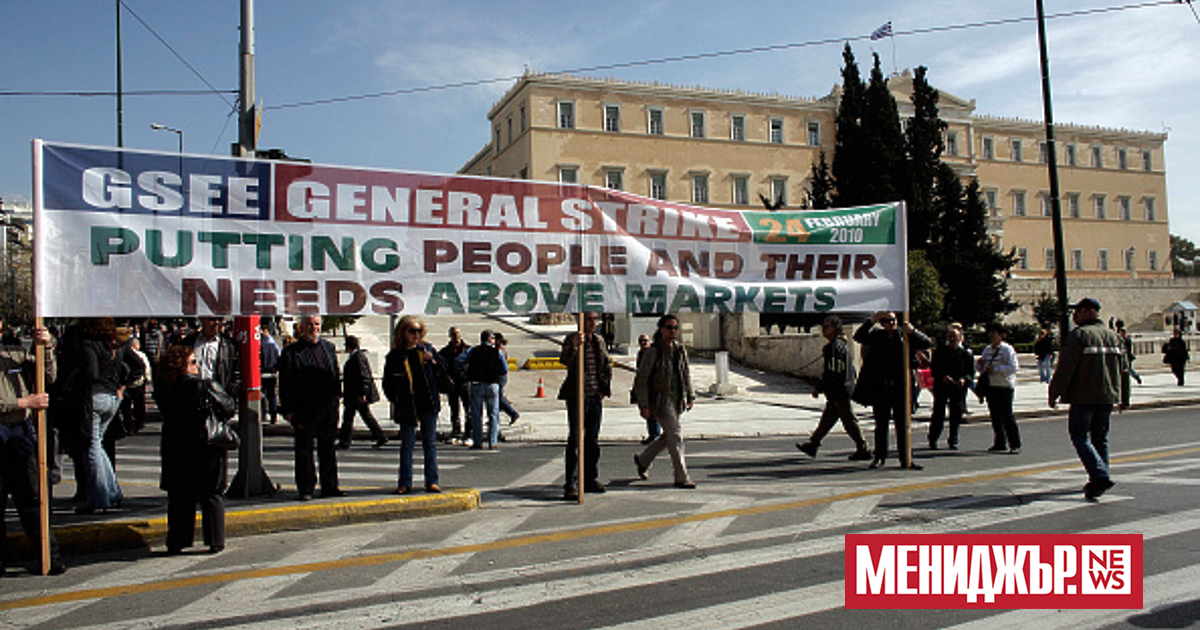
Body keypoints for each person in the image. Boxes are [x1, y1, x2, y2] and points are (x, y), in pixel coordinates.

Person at [1049, 298, 1131, 500]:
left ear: (1088, 312)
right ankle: (1098, 478)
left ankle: (1099, 474)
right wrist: (1125, 397)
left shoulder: (1079, 335)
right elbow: (1125, 370)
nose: (1074, 316)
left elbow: (1065, 368)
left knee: (1080, 436)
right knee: (1100, 438)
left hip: (1083, 395)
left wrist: (1054, 392)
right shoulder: (1114, 336)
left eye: (1077, 312)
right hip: (1107, 396)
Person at [0, 322, 65, 576]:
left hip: (19, 433)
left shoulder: (12, 353)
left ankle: (49, 555)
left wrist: (46, 346)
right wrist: (23, 402)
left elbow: (47, 376)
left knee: (33, 499)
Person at [157, 344, 234, 555]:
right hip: (203, 445)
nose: (197, 366)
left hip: (176, 446)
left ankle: (178, 539)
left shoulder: (165, 388)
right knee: (211, 494)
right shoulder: (204, 385)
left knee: (180, 496)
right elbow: (228, 406)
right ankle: (215, 539)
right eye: (192, 362)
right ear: (182, 365)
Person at [77, 317, 144, 513]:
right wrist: (123, 384)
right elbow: (138, 367)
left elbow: (91, 373)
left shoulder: (90, 344)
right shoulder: (119, 345)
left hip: (94, 397)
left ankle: (100, 496)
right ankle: (112, 492)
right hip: (112, 397)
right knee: (98, 444)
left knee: (92, 446)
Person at [853, 311, 932, 469]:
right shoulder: (877, 335)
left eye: (892, 320)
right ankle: (879, 457)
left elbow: (926, 343)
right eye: (886, 321)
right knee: (881, 425)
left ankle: (905, 458)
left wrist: (912, 331)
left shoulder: (904, 336)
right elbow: (859, 337)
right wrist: (871, 320)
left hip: (901, 386)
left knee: (902, 425)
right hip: (882, 386)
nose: (890, 324)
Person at [278, 315, 343, 500]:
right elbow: (285, 382)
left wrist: (337, 395)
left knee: (328, 448)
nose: (313, 328)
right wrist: (288, 411)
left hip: (328, 407)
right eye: (310, 324)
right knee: (305, 450)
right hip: (304, 409)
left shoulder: (328, 347)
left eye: (316, 324)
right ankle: (306, 488)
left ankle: (330, 486)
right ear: (302, 327)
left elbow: (335, 372)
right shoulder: (291, 352)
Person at [632, 314, 696, 489]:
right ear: (661, 329)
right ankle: (681, 476)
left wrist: (690, 395)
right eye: (669, 327)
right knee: (676, 435)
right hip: (661, 401)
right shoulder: (654, 351)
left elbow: (686, 373)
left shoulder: (679, 349)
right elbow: (642, 379)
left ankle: (643, 460)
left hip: (677, 400)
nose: (672, 331)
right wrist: (643, 405)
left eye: (675, 328)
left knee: (668, 435)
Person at [382, 316, 444, 494]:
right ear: (403, 332)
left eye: (418, 331)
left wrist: (432, 360)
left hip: (427, 404)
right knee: (407, 445)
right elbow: (388, 384)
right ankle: (404, 482)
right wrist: (397, 400)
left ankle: (432, 481)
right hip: (408, 406)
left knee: (430, 444)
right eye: (412, 331)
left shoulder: (427, 349)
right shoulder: (396, 356)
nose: (416, 335)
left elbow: (445, 368)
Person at [796, 315, 872, 461]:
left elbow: (832, 372)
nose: (823, 329)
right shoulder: (840, 345)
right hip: (839, 389)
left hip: (839, 389)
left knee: (849, 420)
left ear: (835, 329)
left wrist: (819, 387)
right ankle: (813, 443)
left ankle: (864, 448)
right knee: (827, 420)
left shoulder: (834, 348)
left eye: (827, 327)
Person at [560, 312, 614, 500]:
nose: (593, 322)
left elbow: (606, 365)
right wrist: (575, 346)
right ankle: (571, 483)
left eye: (594, 319)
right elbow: (564, 360)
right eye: (589, 319)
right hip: (577, 396)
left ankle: (590, 478)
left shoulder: (598, 341)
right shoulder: (571, 339)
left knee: (592, 440)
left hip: (594, 397)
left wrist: (603, 388)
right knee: (575, 440)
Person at [927, 327, 974, 451]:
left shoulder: (965, 354)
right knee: (938, 413)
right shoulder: (939, 352)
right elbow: (934, 369)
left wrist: (964, 379)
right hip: (942, 387)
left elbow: (970, 373)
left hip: (957, 388)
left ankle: (953, 439)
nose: (952, 339)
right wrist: (943, 377)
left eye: (955, 336)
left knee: (956, 415)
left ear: (960, 338)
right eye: (950, 336)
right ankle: (933, 439)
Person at [337, 336, 388, 449]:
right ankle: (380, 436)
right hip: (354, 394)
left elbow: (363, 377)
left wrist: (363, 393)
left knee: (350, 418)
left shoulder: (357, 358)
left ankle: (345, 441)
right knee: (362, 417)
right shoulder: (357, 356)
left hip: (356, 395)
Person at [977, 322, 1021, 454]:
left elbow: (1014, 368)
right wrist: (980, 365)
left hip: (1004, 386)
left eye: (993, 333)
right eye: (989, 332)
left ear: (1000, 335)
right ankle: (999, 442)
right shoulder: (987, 349)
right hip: (991, 386)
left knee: (1007, 416)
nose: (990, 335)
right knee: (995, 416)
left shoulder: (1007, 349)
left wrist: (996, 369)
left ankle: (1014, 443)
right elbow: (982, 369)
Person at [458, 330, 505, 450]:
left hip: (476, 383)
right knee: (493, 414)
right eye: (493, 338)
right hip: (492, 384)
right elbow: (504, 369)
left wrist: (464, 368)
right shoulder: (497, 352)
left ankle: (478, 441)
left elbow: (459, 360)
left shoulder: (473, 350)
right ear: (489, 339)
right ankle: (492, 442)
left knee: (476, 414)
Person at [180, 317, 241, 400]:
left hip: (218, 400)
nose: (217, 323)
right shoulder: (189, 342)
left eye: (220, 319)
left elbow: (236, 374)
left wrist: (228, 397)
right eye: (212, 319)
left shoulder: (229, 345)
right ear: (202, 319)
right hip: (193, 398)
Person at [438, 327, 471, 442]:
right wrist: (446, 379)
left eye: (457, 333)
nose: (455, 336)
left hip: (465, 383)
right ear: (450, 336)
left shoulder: (468, 350)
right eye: (453, 334)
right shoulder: (446, 351)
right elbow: (440, 367)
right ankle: (456, 431)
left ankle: (468, 432)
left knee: (468, 409)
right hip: (451, 384)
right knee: (454, 410)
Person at [635, 334, 661, 445]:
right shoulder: (640, 354)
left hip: (653, 388)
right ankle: (652, 434)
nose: (643, 343)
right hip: (645, 388)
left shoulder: (652, 353)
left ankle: (656, 435)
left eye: (645, 340)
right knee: (647, 412)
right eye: (641, 341)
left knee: (653, 413)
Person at [493, 333, 520, 426]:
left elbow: (503, 367)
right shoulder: (498, 350)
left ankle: (513, 413)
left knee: (499, 398)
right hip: (499, 376)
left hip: (500, 376)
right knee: (496, 399)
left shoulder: (499, 351)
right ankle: (494, 418)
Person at [259, 323, 280, 424]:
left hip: (264, 371)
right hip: (272, 372)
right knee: (272, 395)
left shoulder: (264, 343)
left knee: (263, 395)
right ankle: (273, 414)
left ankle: (264, 414)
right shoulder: (273, 343)